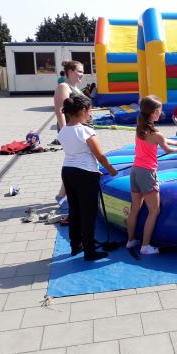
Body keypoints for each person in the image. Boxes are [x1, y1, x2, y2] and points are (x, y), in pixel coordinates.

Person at [57, 94, 118, 261]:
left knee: (74, 210)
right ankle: (90, 251)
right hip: (85, 175)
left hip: (68, 171)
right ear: (83, 110)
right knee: (88, 213)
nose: (91, 113)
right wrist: (111, 170)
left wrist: (92, 168)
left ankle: (75, 245)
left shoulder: (63, 130)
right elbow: (100, 156)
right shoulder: (86, 130)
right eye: (90, 110)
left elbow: (76, 153)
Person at [125, 96, 177, 255]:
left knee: (135, 209)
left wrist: (176, 142)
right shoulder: (155, 133)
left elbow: (163, 140)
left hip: (135, 171)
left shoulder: (141, 128)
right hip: (147, 173)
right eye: (158, 110)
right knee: (154, 210)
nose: (160, 112)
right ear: (152, 113)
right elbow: (167, 149)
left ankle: (130, 241)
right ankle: (145, 246)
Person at [53, 60, 88, 215]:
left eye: (82, 71)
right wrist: (64, 132)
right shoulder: (63, 87)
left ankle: (65, 194)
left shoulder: (76, 89)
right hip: (73, 132)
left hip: (83, 130)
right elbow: (60, 110)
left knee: (78, 163)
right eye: (79, 71)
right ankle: (62, 195)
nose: (82, 74)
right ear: (70, 71)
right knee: (74, 164)